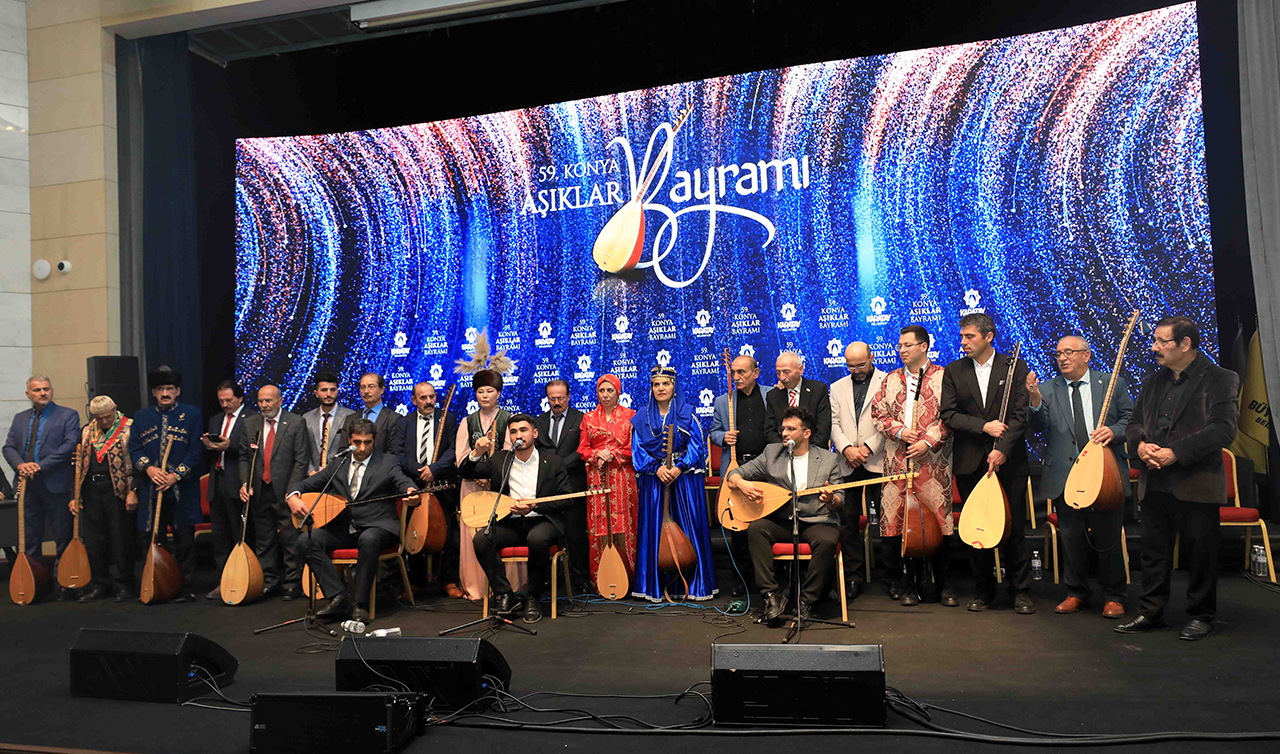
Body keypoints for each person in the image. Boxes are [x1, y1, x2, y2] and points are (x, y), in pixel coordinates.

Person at [1117, 317, 1238, 641]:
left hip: (1196, 480)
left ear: (1185, 344)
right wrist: (1140, 446)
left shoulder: (1220, 378)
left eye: (1161, 341)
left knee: (1200, 553)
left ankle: (1202, 615)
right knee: (1153, 553)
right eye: (1154, 340)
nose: (1153, 347)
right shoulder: (1153, 381)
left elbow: (1223, 429)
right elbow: (1134, 423)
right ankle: (1151, 612)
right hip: (1154, 479)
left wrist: (1176, 452)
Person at [1028, 336, 1132, 619]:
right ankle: (1076, 592)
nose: (1062, 358)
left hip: (1104, 472)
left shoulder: (1111, 383)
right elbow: (1038, 427)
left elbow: (1132, 420)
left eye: (1069, 352)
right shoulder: (1047, 389)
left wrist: (1114, 431)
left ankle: (1113, 596)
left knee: (1108, 536)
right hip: (1065, 475)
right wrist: (1034, 401)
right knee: (1071, 537)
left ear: (1086, 355)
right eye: (1058, 353)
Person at [941, 314, 1033, 614]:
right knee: (975, 529)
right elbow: (949, 414)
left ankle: (1020, 591)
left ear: (989, 337)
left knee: (1013, 527)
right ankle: (983, 591)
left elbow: (1020, 415)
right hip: (970, 462)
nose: (963, 342)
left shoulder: (1014, 366)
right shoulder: (954, 370)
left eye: (969, 336)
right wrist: (984, 426)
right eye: (962, 336)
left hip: (1009, 462)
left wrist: (1002, 449)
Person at [287, 418, 418, 623]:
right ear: (350, 441)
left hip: (378, 527)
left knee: (369, 538)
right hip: (345, 528)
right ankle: (339, 597)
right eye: (357, 442)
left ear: (374, 441)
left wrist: (412, 492)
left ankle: (361, 604)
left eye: (367, 442)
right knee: (306, 540)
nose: (362, 448)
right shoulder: (338, 463)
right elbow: (306, 484)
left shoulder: (387, 461)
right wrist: (292, 497)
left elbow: (403, 481)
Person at [727, 407, 843, 622]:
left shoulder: (828, 459)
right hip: (782, 520)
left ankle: (806, 601)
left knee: (827, 540)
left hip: (816, 520)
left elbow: (839, 499)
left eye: (791, 429)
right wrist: (742, 484)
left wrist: (830, 499)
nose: (785, 433)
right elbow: (734, 475)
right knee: (756, 529)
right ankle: (771, 596)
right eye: (783, 429)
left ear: (806, 433)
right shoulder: (772, 453)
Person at [872, 326, 955, 606]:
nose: (902, 350)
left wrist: (927, 441)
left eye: (908, 345)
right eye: (900, 346)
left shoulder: (944, 377)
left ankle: (943, 585)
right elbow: (878, 414)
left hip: (932, 464)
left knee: (937, 522)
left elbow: (951, 416)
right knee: (898, 522)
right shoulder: (890, 379)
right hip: (897, 462)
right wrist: (899, 431)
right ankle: (905, 584)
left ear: (924, 346)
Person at [462, 414, 573, 623]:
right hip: (510, 522)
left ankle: (533, 597)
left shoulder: (553, 462)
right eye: (513, 432)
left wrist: (535, 505)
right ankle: (505, 595)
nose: (518, 435)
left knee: (537, 539)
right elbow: (465, 472)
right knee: (481, 540)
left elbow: (567, 499)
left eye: (523, 430)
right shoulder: (500, 459)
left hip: (542, 520)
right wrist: (476, 452)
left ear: (535, 433)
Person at [631, 364, 716, 601]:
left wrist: (679, 467)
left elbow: (697, 447)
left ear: (674, 387)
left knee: (689, 529)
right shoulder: (641, 418)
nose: (661, 388)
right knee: (656, 531)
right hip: (654, 483)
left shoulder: (687, 414)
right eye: (656, 384)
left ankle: (694, 586)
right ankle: (655, 587)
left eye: (665, 384)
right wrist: (656, 468)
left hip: (684, 481)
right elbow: (637, 451)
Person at [128, 367, 204, 602]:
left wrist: (176, 475)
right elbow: (134, 448)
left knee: (185, 539)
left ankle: (185, 587)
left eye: (169, 389)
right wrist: (149, 469)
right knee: (152, 538)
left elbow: (196, 449)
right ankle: (158, 583)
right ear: (154, 392)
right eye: (160, 389)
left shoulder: (192, 414)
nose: (165, 393)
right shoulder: (141, 417)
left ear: (177, 391)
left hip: (182, 490)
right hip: (151, 490)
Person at [3, 374, 82, 597]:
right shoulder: (20, 418)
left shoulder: (67, 415)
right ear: (28, 394)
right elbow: (8, 447)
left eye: (46, 389)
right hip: (27, 486)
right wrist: (21, 465)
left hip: (56, 485)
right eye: (37, 390)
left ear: (51, 391)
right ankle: (35, 585)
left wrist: (39, 466)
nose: (43, 393)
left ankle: (66, 585)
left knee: (63, 537)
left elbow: (69, 445)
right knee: (29, 540)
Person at [238, 385, 310, 599]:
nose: (264, 405)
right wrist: (245, 482)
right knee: (264, 540)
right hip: (259, 490)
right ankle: (268, 581)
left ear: (280, 400)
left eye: (268, 400)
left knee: (290, 540)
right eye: (260, 401)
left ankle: (292, 582)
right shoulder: (250, 423)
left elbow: (301, 460)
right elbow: (244, 457)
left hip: (286, 492)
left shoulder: (296, 422)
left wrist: (292, 492)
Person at [390, 381, 461, 597]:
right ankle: (417, 583)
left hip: (442, 484)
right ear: (414, 400)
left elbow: (454, 449)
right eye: (423, 397)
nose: (429, 401)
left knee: (448, 535)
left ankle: (449, 582)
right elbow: (397, 452)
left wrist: (434, 469)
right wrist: (420, 470)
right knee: (414, 533)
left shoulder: (448, 418)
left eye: (432, 396)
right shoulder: (404, 422)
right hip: (414, 485)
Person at [709, 354, 771, 596]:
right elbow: (713, 433)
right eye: (733, 372)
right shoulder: (722, 402)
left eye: (742, 372)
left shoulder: (771, 395)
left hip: (767, 469)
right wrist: (723, 437)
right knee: (738, 527)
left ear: (755, 373)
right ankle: (742, 580)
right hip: (736, 470)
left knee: (766, 524)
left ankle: (769, 578)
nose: (736, 377)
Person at [454, 367, 516, 600]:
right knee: (473, 536)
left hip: (499, 488)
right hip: (471, 488)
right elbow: (460, 459)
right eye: (480, 391)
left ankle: (507, 588)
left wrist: (491, 475)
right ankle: (476, 588)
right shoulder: (467, 422)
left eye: (490, 391)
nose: (485, 396)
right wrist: (476, 459)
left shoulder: (509, 419)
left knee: (497, 535)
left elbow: (511, 455)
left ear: (498, 393)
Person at [829, 341, 884, 599]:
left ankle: (893, 576)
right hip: (847, 463)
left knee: (887, 522)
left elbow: (890, 421)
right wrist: (847, 449)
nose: (856, 370)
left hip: (878, 460)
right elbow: (833, 423)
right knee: (848, 523)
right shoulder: (836, 386)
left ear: (871, 358)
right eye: (851, 366)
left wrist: (867, 449)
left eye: (861, 365)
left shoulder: (888, 382)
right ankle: (853, 577)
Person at [71, 396, 139, 602]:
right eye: (99, 418)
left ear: (115, 409)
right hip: (91, 489)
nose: (104, 421)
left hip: (118, 488)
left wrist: (134, 490)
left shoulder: (130, 427)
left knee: (121, 538)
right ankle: (100, 584)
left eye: (107, 417)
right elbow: (77, 464)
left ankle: (125, 584)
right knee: (94, 540)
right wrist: (74, 495)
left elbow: (139, 461)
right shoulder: (86, 431)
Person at [576, 374, 640, 582]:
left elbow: (635, 449)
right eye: (601, 390)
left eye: (609, 390)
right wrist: (596, 454)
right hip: (597, 476)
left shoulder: (631, 416)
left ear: (618, 392)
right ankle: (602, 580)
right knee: (599, 525)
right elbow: (583, 449)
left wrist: (614, 454)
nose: (605, 395)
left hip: (623, 477)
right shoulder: (588, 418)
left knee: (625, 523)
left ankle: (628, 577)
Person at [534, 379, 589, 590]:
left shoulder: (581, 419)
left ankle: (580, 579)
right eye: (552, 399)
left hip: (574, 484)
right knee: (549, 532)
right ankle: (549, 578)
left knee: (576, 533)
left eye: (560, 398)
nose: (556, 402)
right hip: (547, 488)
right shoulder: (538, 422)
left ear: (568, 396)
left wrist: (559, 466)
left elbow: (582, 449)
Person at [200, 380, 252, 600]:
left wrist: (229, 446)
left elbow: (252, 449)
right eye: (221, 401)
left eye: (229, 400)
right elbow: (212, 449)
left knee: (240, 534)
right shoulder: (216, 419)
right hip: (217, 480)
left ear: (240, 398)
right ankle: (223, 581)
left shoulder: (251, 418)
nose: (225, 404)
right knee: (220, 536)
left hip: (238, 482)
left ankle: (246, 580)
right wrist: (209, 445)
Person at [766, 351, 832, 450]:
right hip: (783, 454)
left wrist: (805, 452)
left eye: (786, 372)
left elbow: (823, 428)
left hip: (814, 452)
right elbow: (770, 431)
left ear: (800, 370)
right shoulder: (773, 396)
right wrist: (786, 450)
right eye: (778, 372)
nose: (782, 377)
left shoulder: (818, 390)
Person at [301, 370, 354, 475]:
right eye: (324, 390)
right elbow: (302, 450)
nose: (329, 394)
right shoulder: (307, 418)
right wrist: (311, 471)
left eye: (332, 390)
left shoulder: (351, 416)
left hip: (340, 475)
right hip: (312, 477)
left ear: (337, 391)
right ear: (316, 393)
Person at [341, 372, 396, 454]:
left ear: (382, 389)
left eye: (371, 387)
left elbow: (394, 453)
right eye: (363, 387)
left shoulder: (394, 419)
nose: (366, 391)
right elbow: (343, 450)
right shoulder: (350, 419)